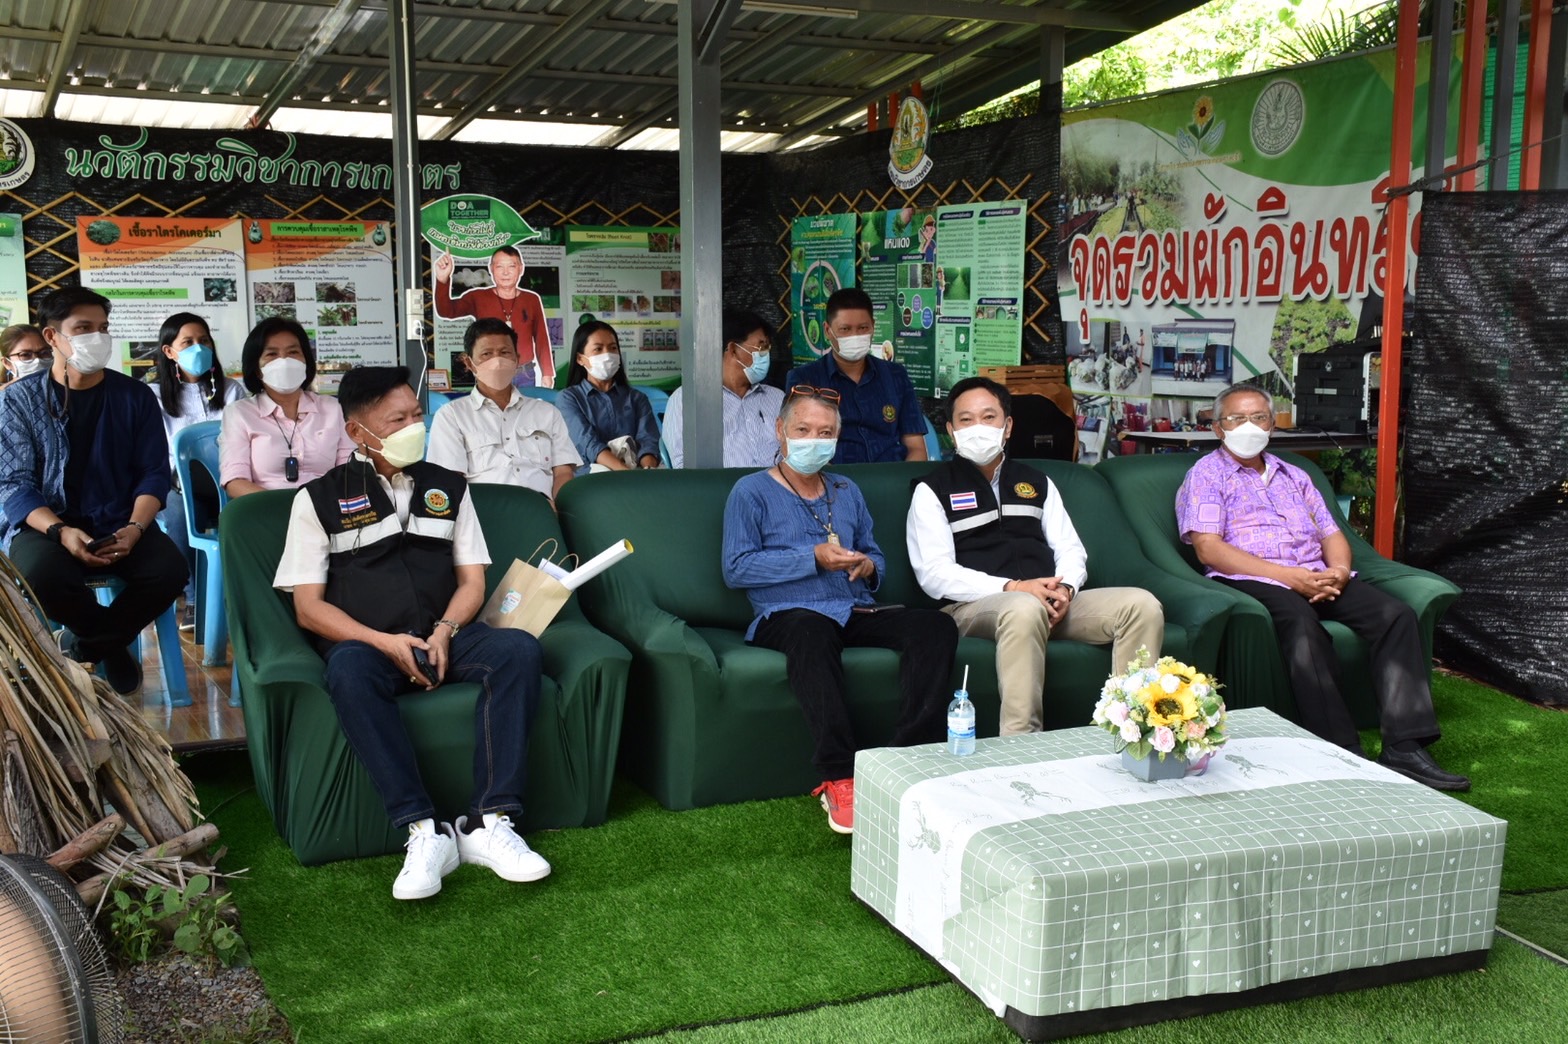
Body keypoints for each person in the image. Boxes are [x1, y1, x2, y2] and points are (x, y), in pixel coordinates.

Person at [273, 365, 550, 900]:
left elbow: (472, 582)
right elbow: (308, 608)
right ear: (357, 432)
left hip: (445, 638)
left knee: (517, 649)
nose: (413, 428)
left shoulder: (448, 486)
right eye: (396, 420)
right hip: (371, 646)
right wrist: (384, 643)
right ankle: (424, 831)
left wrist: (444, 632)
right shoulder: (317, 499)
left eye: (417, 415)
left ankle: (489, 822)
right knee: (347, 669)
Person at [1176, 382, 1469, 791]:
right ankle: (1341, 751)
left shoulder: (1294, 474)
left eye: (1259, 417)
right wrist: (1289, 577)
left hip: (1317, 573)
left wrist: (1340, 570)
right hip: (1254, 578)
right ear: (1217, 427)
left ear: (1272, 424)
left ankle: (1405, 748)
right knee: (1302, 626)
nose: (1249, 426)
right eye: (1237, 418)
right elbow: (1209, 548)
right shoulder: (1206, 475)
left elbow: (1331, 532)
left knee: (1395, 616)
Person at [722, 386, 958, 834]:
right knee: (812, 631)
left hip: (853, 608)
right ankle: (840, 774)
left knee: (935, 626)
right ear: (781, 430)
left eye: (825, 432)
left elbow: (874, 554)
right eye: (803, 430)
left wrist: (868, 566)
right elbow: (737, 568)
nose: (814, 440)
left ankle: (909, 758)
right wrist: (812, 557)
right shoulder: (750, 491)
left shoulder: (846, 489)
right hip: (786, 614)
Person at [908, 377, 1164, 735]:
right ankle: (1021, 744)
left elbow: (1070, 548)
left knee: (1141, 605)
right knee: (1023, 607)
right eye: (966, 420)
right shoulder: (932, 489)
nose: (978, 427)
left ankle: (1132, 732)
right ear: (951, 431)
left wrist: (1066, 590)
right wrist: (1014, 588)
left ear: (1008, 426)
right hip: (971, 608)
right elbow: (934, 574)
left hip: (1048, 601)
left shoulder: (1037, 482)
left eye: (989, 417)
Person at [0, 287, 187, 695]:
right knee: (39, 575)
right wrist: (60, 531)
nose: (97, 337)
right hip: (46, 525)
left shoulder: (134, 396)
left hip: (120, 520)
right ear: (52, 337)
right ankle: (111, 646)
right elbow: (15, 485)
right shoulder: (18, 402)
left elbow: (153, 474)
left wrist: (135, 528)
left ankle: (87, 645)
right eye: (83, 328)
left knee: (170, 570)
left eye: (103, 328)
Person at [147, 312, 244, 629]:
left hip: (229, 478)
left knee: (250, 513)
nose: (198, 348)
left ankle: (239, 598)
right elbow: (155, 450)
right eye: (187, 342)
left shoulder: (232, 390)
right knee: (178, 514)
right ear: (169, 351)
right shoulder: (154, 395)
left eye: (204, 341)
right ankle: (193, 599)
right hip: (179, 483)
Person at [427, 318, 580, 501]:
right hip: (484, 512)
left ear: (517, 359)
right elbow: (451, 482)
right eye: (486, 354)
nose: (497, 362)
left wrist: (557, 507)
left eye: (505, 352)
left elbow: (563, 472)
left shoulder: (548, 413)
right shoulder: (451, 416)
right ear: (469, 363)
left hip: (542, 508)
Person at [786, 288, 926, 465]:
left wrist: (905, 479)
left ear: (873, 326)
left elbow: (916, 448)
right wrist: (832, 481)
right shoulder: (804, 379)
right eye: (845, 329)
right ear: (828, 330)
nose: (855, 336)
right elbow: (800, 448)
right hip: (834, 476)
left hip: (891, 473)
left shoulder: (896, 375)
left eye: (863, 328)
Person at [219, 317, 355, 498]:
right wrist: (289, 507)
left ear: (306, 361)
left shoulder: (334, 408)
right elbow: (235, 482)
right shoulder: (239, 414)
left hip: (326, 507)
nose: (284, 361)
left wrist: (317, 508)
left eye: (293, 352)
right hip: (266, 508)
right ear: (257, 369)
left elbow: (349, 471)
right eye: (272, 354)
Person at [664, 309, 784, 469]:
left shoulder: (777, 398)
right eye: (761, 346)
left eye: (767, 347)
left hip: (775, 483)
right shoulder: (687, 400)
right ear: (733, 349)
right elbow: (683, 464)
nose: (766, 354)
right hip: (719, 484)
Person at [432, 246, 554, 387]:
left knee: (525, 403)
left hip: (524, 375)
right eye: (499, 266)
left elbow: (541, 338)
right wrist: (442, 279)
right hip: (490, 374)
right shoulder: (478, 297)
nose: (505, 272)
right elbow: (446, 311)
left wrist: (547, 373)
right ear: (491, 269)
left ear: (520, 269)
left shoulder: (532, 299)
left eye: (511, 266)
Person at [556, 321, 661, 474]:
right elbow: (589, 443)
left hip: (636, 476)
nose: (607, 355)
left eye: (613, 348)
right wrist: (626, 474)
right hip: (591, 478)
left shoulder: (637, 398)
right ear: (580, 358)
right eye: (598, 349)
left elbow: (648, 441)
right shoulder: (568, 399)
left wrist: (648, 471)